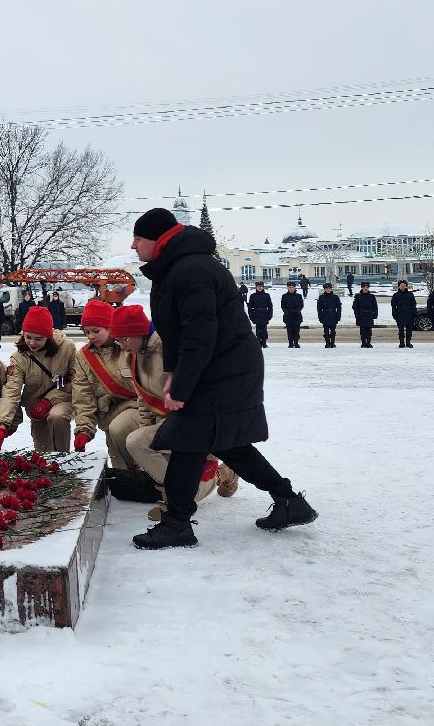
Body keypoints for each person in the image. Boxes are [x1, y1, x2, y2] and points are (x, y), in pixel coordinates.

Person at [126, 207, 316, 550]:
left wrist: (182, 385)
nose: (133, 245)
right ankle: (288, 501)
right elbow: (178, 331)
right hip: (218, 365)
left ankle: (178, 523)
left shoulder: (190, 269)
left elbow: (200, 334)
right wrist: (173, 372)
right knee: (226, 442)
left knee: (189, 439)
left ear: (157, 239)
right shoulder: (179, 267)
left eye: (138, 238)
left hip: (222, 368)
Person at [111, 303, 238, 519]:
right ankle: (208, 479)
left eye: (125, 339)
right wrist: (148, 441)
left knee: (138, 442)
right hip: (169, 424)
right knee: (139, 442)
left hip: (197, 421)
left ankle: (183, 497)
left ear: (140, 332)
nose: (122, 346)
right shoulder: (133, 355)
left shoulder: (169, 347)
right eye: (118, 340)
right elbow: (143, 399)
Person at [0, 304, 77, 452]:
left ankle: (64, 457)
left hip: (64, 400)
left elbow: (77, 382)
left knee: (57, 417)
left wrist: (49, 400)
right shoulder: (19, 358)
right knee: (42, 452)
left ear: (48, 336)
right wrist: (3, 424)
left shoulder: (67, 348)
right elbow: (11, 391)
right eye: (28, 337)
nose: (32, 343)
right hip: (36, 409)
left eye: (38, 339)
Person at [69, 299, 139, 471]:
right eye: (86, 332)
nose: (91, 336)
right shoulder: (83, 357)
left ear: (110, 327)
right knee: (120, 473)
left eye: (96, 331)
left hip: (139, 410)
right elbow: (83, 396)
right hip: (109, 416)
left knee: (140, 464)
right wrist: (83, 430)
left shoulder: (129, 346)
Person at [390, 280, 417, 348]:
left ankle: (408, 342)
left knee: (409, 329)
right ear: (399, 286)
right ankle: (401, 342)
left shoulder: (410, 294)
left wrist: (414, 313)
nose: (403, 286)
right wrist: (394, 314)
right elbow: (393, 306)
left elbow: (413, 304)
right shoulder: (396, 295)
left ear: (406, 286)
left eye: (404, 285)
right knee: (401, 329)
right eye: (401, 285)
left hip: (409, 313)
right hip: (400, 313)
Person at [352, 282, 379, 348]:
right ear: (362, 288)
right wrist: (357, 314)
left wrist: (375, 314)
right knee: (362, 330)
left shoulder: (371, 296)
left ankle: (368, 342)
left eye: (367, 287)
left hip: (369, 315)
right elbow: (354, 306)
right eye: (364, 287)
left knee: (369, 330)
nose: (365, 288)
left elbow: (375, 306)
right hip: (361, 315)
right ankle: (363, 343)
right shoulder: (358, 296)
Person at [246, 282, 273, 347]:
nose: (260, 288)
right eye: (258, 286)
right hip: (256, 314)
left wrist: (270, 315)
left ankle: (264, 343)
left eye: (261, 286)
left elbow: (270, 306)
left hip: (264, 314)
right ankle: (258, 342)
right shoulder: (253, 296)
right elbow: (250, 308)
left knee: (264, 329)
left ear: (263, 287)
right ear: (256, 287)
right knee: (258, 329)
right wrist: (251, 316)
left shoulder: (267, 295)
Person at [316, 283, 341, 348]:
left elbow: (339, 307)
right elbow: (319, 308)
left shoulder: (335, 297)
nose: (328, 290)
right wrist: (320, 316)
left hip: (333, 315)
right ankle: (327, 343)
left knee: (333, 331)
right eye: (326, 288)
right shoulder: (321, 297)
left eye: (329, 288)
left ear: (331, 289)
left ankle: (332, 343)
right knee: (326, 331)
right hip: (325, 315)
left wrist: (338, 316)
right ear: (324, 289)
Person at [280, 282, 304, 348]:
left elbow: (301, 305)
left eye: (292, 287)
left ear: (295, 288)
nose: (291, 289)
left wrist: (295, 311)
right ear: (287, 288)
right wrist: (287, 311)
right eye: (289, 287)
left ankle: (296, 342)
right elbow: (283, 306)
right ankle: (290, 343)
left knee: (296, 330)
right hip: (288, 315)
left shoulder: (298, 296)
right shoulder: (284, 296)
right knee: (289, 330)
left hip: (297, 315)